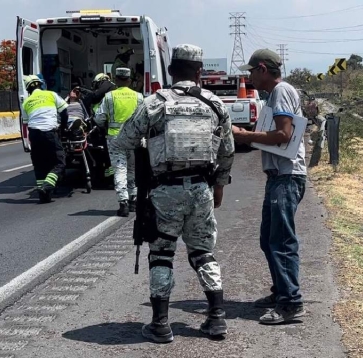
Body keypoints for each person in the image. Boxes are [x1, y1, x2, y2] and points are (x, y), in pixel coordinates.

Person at [110, 44, 235, 343]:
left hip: (164, 191)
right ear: (199, 71)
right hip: (202, 189)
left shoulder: (155, 103)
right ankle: (217, 319)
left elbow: (124, 140)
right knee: (204, 253)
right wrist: (218, 184)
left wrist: (149, 146)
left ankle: (160, 325)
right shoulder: (215, 104)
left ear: (170, 71)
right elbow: (228, 151)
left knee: (162, 254)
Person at [232, 49, 307, 324]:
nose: (249, 77)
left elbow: (283, 134)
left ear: (263, 69)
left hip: (286, 177)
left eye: (251, 71)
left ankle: (290, 303)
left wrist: (244, 136)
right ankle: (281, 292)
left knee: (281, 241)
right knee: (269, 239)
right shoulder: (276, 94)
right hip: (279, 177)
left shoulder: (281, 91)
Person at [94, 68, 144, 216]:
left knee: (120, 169)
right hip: (134, 138)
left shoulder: (109, 97)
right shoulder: (139, 96)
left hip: (115, 138)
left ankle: (123, 204)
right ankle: (134, 200)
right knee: (132, 170)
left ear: (115, 80)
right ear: (129, 80)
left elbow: (99, 118)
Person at [22, 75, 69, 204]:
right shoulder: (51, 95)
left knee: (39, 166)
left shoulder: (26, 102)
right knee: (60, 163)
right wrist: (64, 127)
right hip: (49, 133)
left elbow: (25, 124)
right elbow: (65, 111)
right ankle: (47, 185)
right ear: (40, 84)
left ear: (28, 89)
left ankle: (44, 197)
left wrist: (27, 143)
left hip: (34, 135)